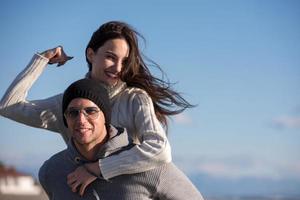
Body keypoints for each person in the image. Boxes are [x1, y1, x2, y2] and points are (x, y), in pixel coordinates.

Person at [0, 21, 194, 194]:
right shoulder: (68, 104)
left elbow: (160, 150)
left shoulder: (135, 99)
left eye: (124, 61)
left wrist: (98, 168)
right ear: (91, 54)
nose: (118, 68)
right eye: (110, 57)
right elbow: (9, 107)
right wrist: (41, 60)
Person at [39, 78, 204, 200]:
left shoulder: (151, 167)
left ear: (106, 116)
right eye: (73, 112)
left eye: (91, 111)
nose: (81, 120)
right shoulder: (51, 171)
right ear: (65, 119)